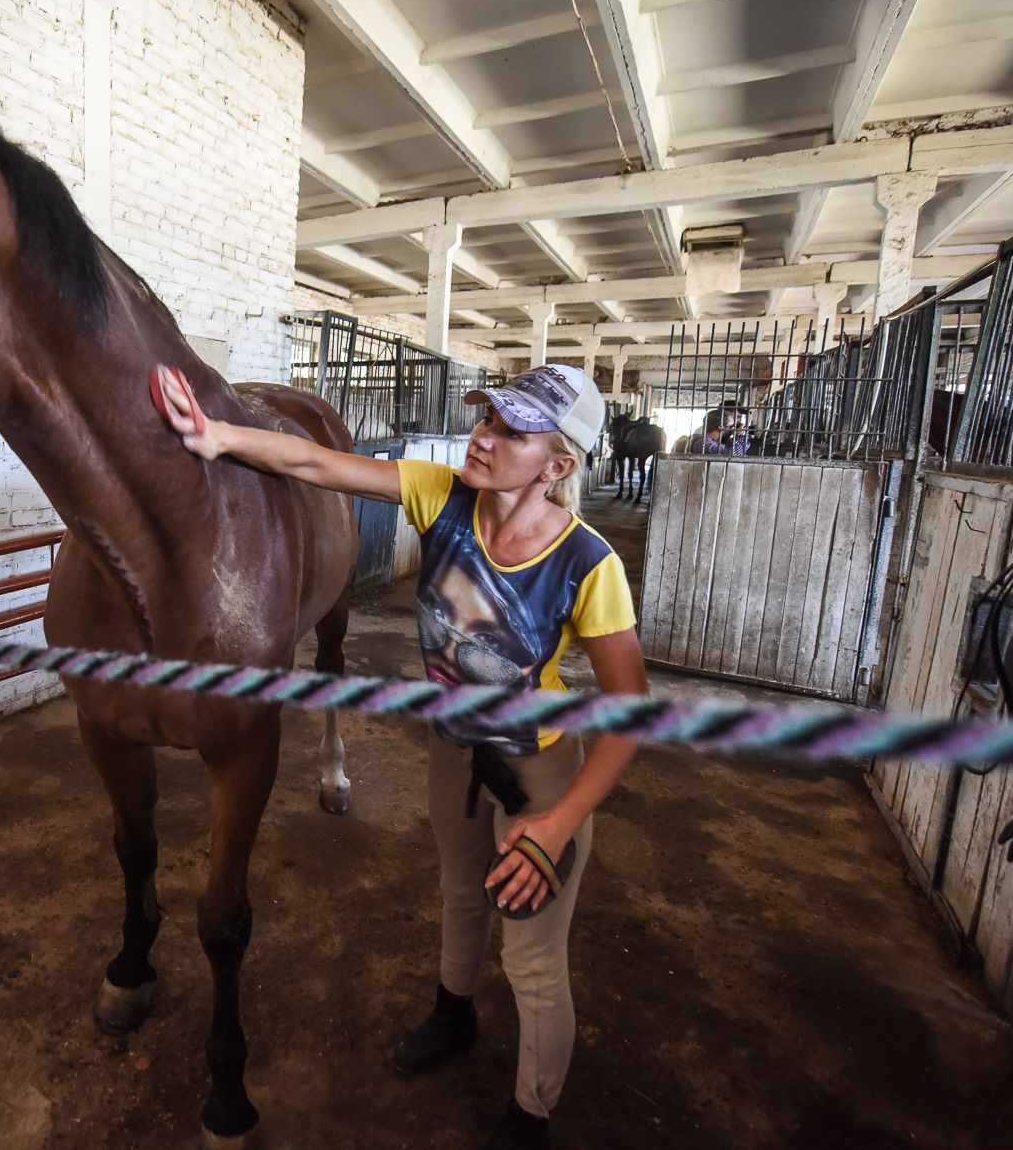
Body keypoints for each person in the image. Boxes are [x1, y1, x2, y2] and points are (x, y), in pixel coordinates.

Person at [154, 363, 648, 1150]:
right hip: (455, 750)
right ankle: (452, 1016)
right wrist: (216, 436)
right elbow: (317, 463)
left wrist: (557, 823)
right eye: (486, 418)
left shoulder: (589, 563)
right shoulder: (440, 493)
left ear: (557, 465)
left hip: (539, 772)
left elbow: (628, 715)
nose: (483, 437)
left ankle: (531, 1114)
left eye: (511, 431)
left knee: (532, 958)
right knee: (460, 893)